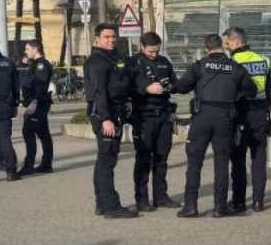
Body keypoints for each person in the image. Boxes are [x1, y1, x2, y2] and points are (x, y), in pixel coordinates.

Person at [174, 33, 257, 218]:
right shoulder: (235, 67)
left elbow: (181, 87)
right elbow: (251, 90)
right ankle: (220, 207)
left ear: (206, 49)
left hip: (202, 117)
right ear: (223, 46)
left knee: (194, 163)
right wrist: (235, 95)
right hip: (225, 118)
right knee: (221, 163)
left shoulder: (200, 66)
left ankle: (190, 206)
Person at [84, 23, 138, 217]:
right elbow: (99, 93)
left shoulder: (112, 57)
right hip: (105, 115)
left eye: (113, 36)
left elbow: (120, 83)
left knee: (105, 160)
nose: (111, 40)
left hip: (115, 112)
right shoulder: (97, 61)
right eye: (107, 37)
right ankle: (111, 206)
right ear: (97, 39)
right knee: (107, 161)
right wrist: (106, 119)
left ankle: (101, 203)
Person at [224, 27, 271, 213]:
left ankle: (238, 202)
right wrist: (267, 113)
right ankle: (258, 202)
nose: (226, 47)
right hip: (261, 112)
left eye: (227, 43)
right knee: (259, 158)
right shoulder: (263, 59)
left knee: (238, 158)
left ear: (236, 42)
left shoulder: (233, 61)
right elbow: (269, 91)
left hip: (240, 113)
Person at [128, 32, 178, 210]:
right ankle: (141, 199)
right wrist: (146, 88)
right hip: (144, 116)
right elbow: (127, 85)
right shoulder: (134, 62)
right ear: (141, 46)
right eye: (150, 51)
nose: (154, 54)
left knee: (161, 158)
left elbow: (174, 83)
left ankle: (161, 196)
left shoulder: (164, 61)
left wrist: (168, 86)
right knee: (143, 159)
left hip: (163, 115)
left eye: (156, 51)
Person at [0, 34, 21, 182]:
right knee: (5, 139)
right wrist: (14, 104)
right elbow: (15, 88)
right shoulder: (9, 63)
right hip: (5, 107)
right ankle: (11, 171)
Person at [18, 39, 53, 175]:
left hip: (38, 104)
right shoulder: (36, 64)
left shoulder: (42, 66)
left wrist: (34, 103)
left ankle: (29, 165)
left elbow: (40, 86)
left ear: (35, 49)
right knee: (44, 134)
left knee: (28, 132)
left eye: (27, 49)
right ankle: (46, 164)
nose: (26, 52)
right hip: (37, 103)